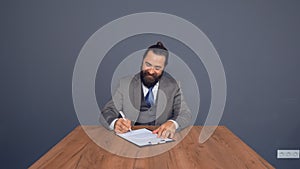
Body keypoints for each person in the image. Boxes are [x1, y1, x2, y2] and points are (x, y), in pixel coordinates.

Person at [100, 42, 192, 139]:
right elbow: (107, 112)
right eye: (148, 64)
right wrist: (115, 123)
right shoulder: (125, 84)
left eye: (157, 68)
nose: (151, 71)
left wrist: (173, 124)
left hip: (160, 139)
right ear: (142, 61)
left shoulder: (173, 86)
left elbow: (185, 114)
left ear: (164, 67)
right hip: (130, 141)